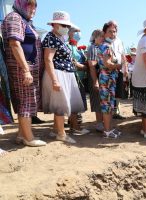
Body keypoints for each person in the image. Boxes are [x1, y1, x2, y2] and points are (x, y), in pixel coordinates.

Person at [1, 0, 46, 146]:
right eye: (29, 4)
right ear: (20, 4)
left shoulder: (24, 20)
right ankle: (29, 138)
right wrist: (26, 70)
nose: (32, 9)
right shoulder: (14, 17)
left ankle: (21, 135)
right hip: (22, 68)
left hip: (28, 68)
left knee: (27, 101)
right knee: (26, 101)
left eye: (35, 6)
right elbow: (14, 43)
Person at [42, 11, 85, 143]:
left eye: (67, 26)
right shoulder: (51, 37)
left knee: (60, 103)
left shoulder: (60, 38)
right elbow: (48, 59)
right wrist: (55, 80)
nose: (66, 28)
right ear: (54, 24)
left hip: (65, 73)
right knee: (60, 104)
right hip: (57, 73)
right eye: (63, 25)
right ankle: (61, 134)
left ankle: (56, 129)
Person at [67, 27, 90, 135]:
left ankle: (74, 126)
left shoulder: (78, 49)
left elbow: (84, 63)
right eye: (75, 31)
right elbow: (73, 63)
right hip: (73, 78)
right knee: (74, 104)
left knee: (77, 104)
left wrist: (83, 65)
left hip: (80, 79)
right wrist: (83, 66)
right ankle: (75, 127)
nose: (78, 34)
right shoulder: (67, 46)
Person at [103, 21, 127, 119]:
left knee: (118, 92)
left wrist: (125, 69)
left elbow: (123, 55)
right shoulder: (103, 42)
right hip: (107, 71)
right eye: (110, 31)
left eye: (115, 31)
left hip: (118, 70)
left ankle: (116, 111)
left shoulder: (119, 41)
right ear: (105, 32)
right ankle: (108, 115)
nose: (113, 33)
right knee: (108, 94)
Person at [87, 29, 105, 132]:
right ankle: (99, 123)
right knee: (97, 100)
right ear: (95, 37)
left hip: (100, 76)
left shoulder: (100, 47)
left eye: (103, 36)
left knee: (101, 100)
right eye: (100, 36)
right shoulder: (93, 48)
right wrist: (95, 81)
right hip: (96, 76)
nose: (102, 38)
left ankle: (101, 122)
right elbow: (92, 66)